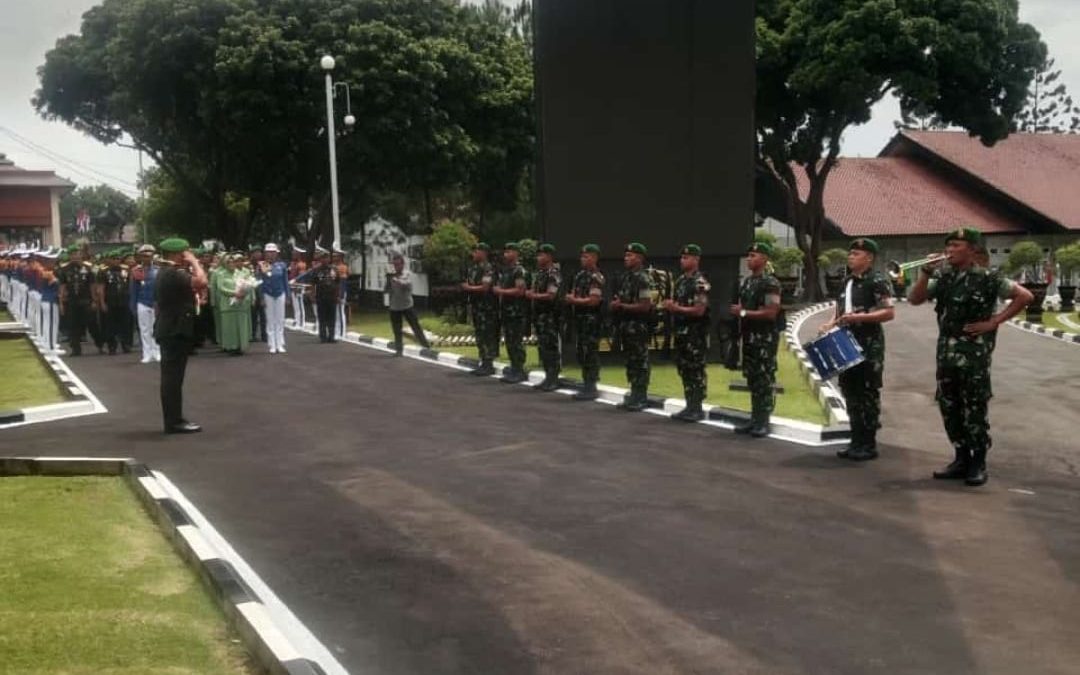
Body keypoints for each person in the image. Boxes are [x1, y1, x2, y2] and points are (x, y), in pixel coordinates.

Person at [908, 227, 1032, 486]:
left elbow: (1025, 296)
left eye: (956, 246)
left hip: (974, 355)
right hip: (946, 354)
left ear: (972, 249)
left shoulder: (988, 277)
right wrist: (925, 272)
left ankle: (978, 462)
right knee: (949, 406)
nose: (950, 250)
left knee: (974, 406)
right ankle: (960, 458)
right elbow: (915, 299)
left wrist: (995, 321)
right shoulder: (942, 277)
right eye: (948, 246)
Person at [819, 238, 895, 460]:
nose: (851, 257)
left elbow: (888, 312)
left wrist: (861, 317)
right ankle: (855, 441)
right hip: (845, 342)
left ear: (869, 258)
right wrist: (830, 323)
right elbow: (840, 308)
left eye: (856, 254)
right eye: (850, 253)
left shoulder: (877, 281)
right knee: (850, 393)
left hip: (868, 345)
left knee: (867, 395)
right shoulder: (846, 281)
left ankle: (868, 444)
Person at [154, 238, 207, 434]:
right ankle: (173, 421)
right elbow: (201, 281)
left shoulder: (169, 272)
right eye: (185, 253)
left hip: (172, 328)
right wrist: (195, 262)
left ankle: (175, 418)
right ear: (177, 254)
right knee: (172, 378)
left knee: (173, 377)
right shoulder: (173, 272)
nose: (187, 256)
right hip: (174, 329)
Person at [729, 242, 782, 437]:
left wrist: (742, 313)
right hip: (749, 339)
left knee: (763, 380)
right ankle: (754, 418)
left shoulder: (771, 283)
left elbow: (770, 313)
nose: (749, 259)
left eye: (754, 255)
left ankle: (763, 421)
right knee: (752, 380)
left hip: (764, 340)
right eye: (749, 255)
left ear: (764, 259)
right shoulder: (748, 282)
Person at [663, 244, 711, 421]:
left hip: (695, 334)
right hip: (682, 333)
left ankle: (696, 407)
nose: (682, 260)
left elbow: (699, 310)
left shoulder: (700, 282)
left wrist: (675, 308)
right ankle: (689, 405)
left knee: (695, 369)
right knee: (684, 369)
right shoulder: (681, 281)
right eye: (682, 257)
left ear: (696, 260)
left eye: (686, 257)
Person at [611, 242, 655, 411]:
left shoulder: (643, 279)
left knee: (640, 361)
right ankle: (634, 393)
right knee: (631, 361)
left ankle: (641, 396)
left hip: (639, 327)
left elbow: (645, 305)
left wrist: (622, 306)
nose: (626, 258)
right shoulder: (626, 277)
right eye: (626, 255)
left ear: (640, 258)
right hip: (626, 326)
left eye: (630, 255)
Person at [564, 244, 605, 400]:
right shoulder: (579, 276)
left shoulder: (597, 277)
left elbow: (594, 301)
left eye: (586, 256)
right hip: (580, 320)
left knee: (590, 353)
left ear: (594, 257)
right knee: (582, 352)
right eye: (582, 256)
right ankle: (586, 382)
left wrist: (574, 300)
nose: (583, 259)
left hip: (591, 320)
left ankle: (591, 385)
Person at [527, 243, 563, 390]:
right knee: (543, 348)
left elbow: (551, 295)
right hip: (540, 317)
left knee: (551, 347)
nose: (538, 258)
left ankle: (553, 378)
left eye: (541, 255)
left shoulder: (553, 273)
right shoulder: (540, 273)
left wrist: (533, 295)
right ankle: (548, 376)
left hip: (550, 317)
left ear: (549, 256)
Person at [492, 242, 529, 383]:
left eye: (509, 252)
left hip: (516, 312)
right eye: (505, 252)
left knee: (516, 341)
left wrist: (501, 291)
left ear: (516, 253)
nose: (506, 254)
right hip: (506, 311)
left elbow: (520, 290)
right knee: (509, 341)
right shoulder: (506, 270)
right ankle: (514, 368)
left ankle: (519, 369)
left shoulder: (519, 271)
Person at [461, 242, 499, 376]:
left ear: (484, 253)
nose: (474, 254)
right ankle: (483, 361)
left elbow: (485, 287)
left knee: (487, 334)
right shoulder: (473, 268)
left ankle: (489, 363)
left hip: (487, 307)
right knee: (479, 335)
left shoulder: (488, 268)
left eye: (476, 251)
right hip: (476, 306)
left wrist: (469, 288)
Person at [384, 252, 431, 356]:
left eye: (398, 264)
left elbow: (406, 284)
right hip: (394, 307)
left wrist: (396, 280)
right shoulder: (391, 276)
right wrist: (388, 281)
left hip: (407, 306)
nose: (396, 267)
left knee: (415, 326)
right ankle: (399, 350)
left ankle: (426, 346)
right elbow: (386, 291)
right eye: (394, 265)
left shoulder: (407, 274)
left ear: (402, 264)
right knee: (397, 329)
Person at [58, 246, 96, 357]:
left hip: (86, 300)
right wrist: (61, 302)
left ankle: (100, 342)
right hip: (71, 301)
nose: (75, 257)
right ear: (69, 256)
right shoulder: (64, 269)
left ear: (81, 255)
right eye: (72, 254)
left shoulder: (89, 268)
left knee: (91, 323)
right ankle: (75, 348)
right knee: (73, 325)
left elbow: (93, 285)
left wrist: (94, 300)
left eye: (77, 254)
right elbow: (62, 286)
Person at [96, 249, 134, 355]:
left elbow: (130, 285)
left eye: (118, 259)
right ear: (109, 260)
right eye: (113, 259)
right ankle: (112, 346)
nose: (116, 261)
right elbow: (101, 288)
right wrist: (102, 302)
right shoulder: (103, 271)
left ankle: (126, 344)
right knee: (110, 325)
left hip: (124, 301)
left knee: (125, 324)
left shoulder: (126, 269)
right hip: (110, 301)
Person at [301, 247, 342, 343]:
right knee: (322, 317)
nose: (325, 259)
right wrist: (312, 295)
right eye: (323, 258)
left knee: (332, 317)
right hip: (321, 296)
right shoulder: (316, 270)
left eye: (327, 258)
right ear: (320, 259)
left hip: (332, 296)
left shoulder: (334, 269)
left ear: (329, 259)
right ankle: (323, 336)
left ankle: (331, 336)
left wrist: (338, 295)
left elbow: (337, 283)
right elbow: (312, 284)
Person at [216, 253, 254, 355]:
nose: (231, 264)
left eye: (233, 262)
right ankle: (231, 347)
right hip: (227, 304)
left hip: (240, 303)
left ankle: (241, 346)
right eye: (229, 262)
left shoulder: (240, 273)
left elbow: (246, 284)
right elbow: (220, 288)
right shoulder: (221, 274)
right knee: (229, 327)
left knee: (240, 325)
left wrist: (244, 292)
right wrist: (234, 293)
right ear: (225, 263)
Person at [130, 244, 161, 363]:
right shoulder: (136, 270)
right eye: (144, 256)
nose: (146, 259)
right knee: (144, 329)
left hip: (155, 302)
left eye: (149, 256)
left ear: (152, 256)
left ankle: (157, 351)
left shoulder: (158, 270)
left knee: (155, 328)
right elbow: (133, 290)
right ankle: (147, 353)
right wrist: (133, 306)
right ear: (140, 257)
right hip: (142, 302)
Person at [257, 243, 290, 354]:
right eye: (268, 252)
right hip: (268, 294)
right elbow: (260, 283)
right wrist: (261, 297)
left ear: (277, 254)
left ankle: (280, 343)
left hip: (280, 293)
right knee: (270, 320)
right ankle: (272, 344)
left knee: (280, 319)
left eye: (273, 252)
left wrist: (288, 296)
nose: (271, 254)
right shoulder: (262, 265)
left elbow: (285, 281)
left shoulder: (282, 265)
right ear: (265, 254)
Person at [288, 245, 309, 328]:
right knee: (295, 305)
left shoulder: (301, 264)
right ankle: (297, 321)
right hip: (292, 286)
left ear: (299, 254)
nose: (293, 254)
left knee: (299, 305)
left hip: (298, 287)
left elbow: (302, 276)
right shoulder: (293, 263)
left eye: (295, 253)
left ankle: (301, 323)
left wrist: (298, 286)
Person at [333, 247, 350, 341]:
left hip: (340, 292)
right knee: (336, 313)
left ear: (340, 257)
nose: (334, 257)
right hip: (335, 292)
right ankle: (337, 332)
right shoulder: (334, 267)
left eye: (336, 255)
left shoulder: (342, 267)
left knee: (340, 312)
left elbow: (343, 282)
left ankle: (342, 333)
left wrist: (341, 295)